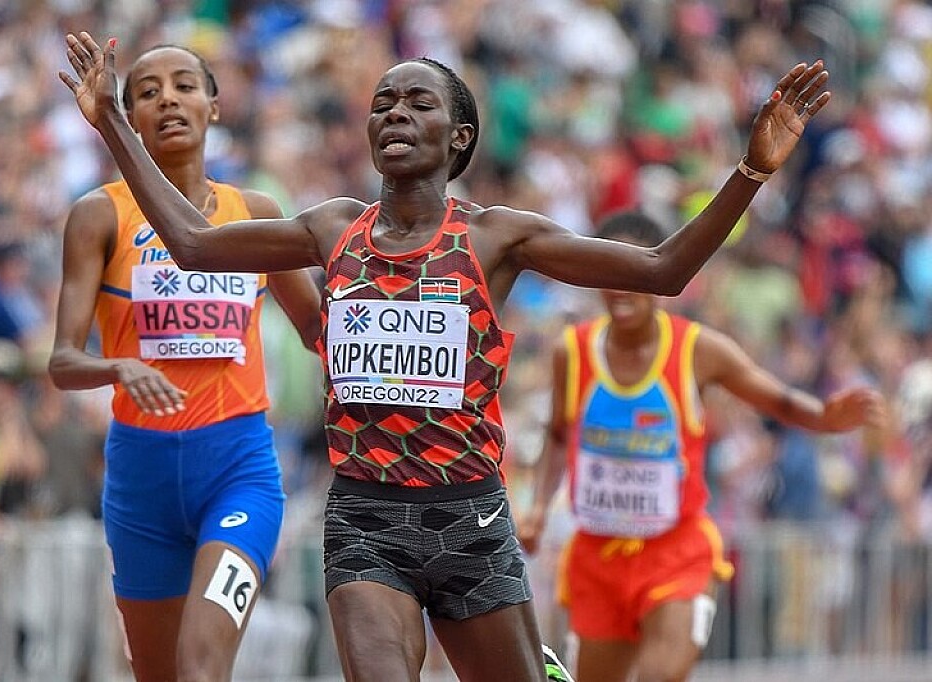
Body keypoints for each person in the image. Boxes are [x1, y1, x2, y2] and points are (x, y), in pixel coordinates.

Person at [59, 30, 831, 681]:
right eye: (383, 102)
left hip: (470, 516)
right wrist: (112, 123)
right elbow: (193, 246)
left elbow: (663, 270)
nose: (395, 111)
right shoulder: (332, 228)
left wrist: (751, 171)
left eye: (418, 102)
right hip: (363, 517)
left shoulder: (496, 236)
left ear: (458, 137)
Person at [47, 43, 321, 682]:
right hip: (140, 485)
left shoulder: (256, 214)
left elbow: (318, 329)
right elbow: (62, 361)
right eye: (147, 91)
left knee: (201, 668)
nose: (167, 98)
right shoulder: (98, 215)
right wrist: (117, 368)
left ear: (214, 107)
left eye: (184, 85)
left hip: (239, 475)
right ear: (129, 117)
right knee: (161, 675)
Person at [517, 211, 887, 681]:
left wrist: (824, 417)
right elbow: (556, 435)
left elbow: (774, 397)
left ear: (658, 275)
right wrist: (538, 507)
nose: (620, 288)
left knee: (660, 676)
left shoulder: (696, 350)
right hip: (598, 557)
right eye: (609, 274)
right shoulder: (571, 352)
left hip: (676, 551)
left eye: (632, 273)